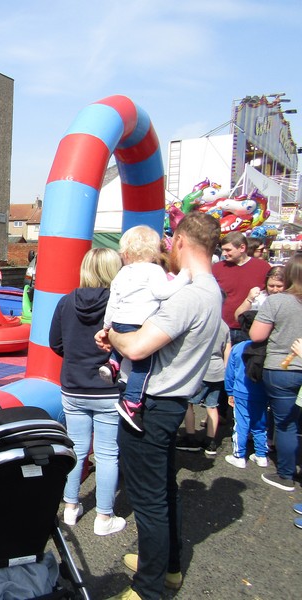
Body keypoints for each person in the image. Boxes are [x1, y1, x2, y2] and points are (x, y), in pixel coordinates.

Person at [96, 212, 223, 600]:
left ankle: (148, 588)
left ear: (181, 241)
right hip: (172, 401)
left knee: (148, 501)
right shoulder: (210, 290)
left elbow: (136, 346)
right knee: (164, 490)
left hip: (151, 405)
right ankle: (166, 566)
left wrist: (112, 336)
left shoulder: (188, 295)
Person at [48, 248, 126, 536]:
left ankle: (70, 507)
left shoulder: (65, 302)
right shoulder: (119, 306)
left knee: (77, 449)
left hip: (73, 386)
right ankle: (104, 517)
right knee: (107, 453)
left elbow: (55, 343)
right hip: (107, 388)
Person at [99, 225, 190, 432]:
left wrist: (106, 327)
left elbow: (113, 302)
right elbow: (162, 292)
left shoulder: (122, 272)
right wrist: (184, 277)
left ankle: (113, 362)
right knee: (142, 366)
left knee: (121, 341)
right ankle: (131, 403)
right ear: (153, 250)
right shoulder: (154, 270)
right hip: (140, 323)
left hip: (120, 321)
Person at [248, 253, 302, 492]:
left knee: (285, 424)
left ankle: (286, 474)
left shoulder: (277, 301)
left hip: (283, 367)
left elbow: (256, 335)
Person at [176, 318, 230, 455]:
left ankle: (190, 438)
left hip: (201, 367)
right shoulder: (224, 325)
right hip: (218, 370)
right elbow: (227, 351)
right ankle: (210, 441)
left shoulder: (201, 322)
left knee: (188, 403)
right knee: (212, 406)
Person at [223, 310, 269, 469]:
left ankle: (239, 455)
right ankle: (261, 454)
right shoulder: (268, 348)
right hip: (262, 391)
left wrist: (229, 391)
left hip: (241, 391)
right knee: (260, 422)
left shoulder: (239, 348)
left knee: (241, 423)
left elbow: (230, 372)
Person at [213, 231, 271, 344]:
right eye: (223, 249)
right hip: (223, 326)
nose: (224, 253)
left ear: (242, 247)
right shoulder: (217, 268)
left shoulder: (263, 267)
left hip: (250, 328)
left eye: (228, 250)